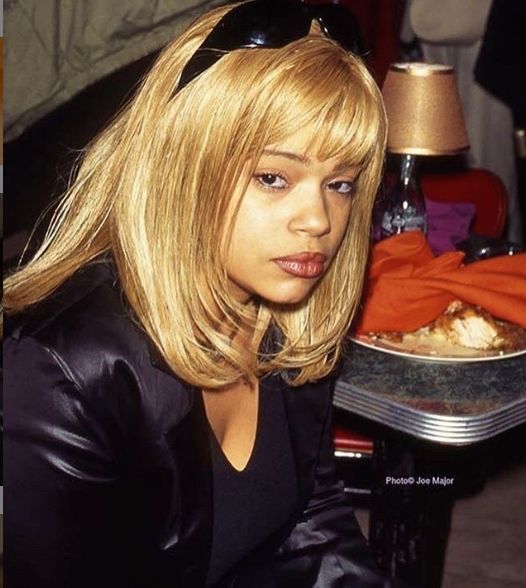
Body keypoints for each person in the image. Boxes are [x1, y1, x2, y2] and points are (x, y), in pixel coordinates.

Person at [3, 1, 395, 586]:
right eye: (273, 178)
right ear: (186, 167)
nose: (319, 219)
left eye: (340, 183)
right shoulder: (65, 371)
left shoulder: (286, 315)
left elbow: (312, 515)